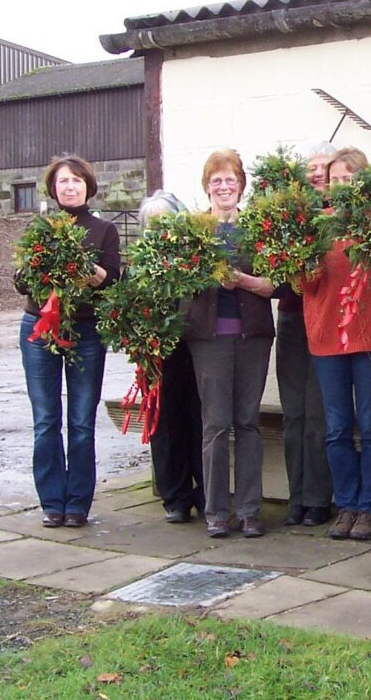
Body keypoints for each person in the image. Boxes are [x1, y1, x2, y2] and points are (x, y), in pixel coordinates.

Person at [17, 154, 120, 528]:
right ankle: (51, 502)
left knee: (81, 421)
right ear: (53, 188)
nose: (70, 187)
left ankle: (77, 502)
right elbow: (20, 282)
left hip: (86, 331)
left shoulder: (103, 230)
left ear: (88, 186)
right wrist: (39, 267)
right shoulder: (40, 227)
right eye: (63, 182)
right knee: (46, 420)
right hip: (40, 330)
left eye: (77, 181)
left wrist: (88, 271)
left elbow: (112, 280)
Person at [184, 149, 276, 539]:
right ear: (207, 187)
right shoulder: (192, 229)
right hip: (209, 339)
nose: (224, 186)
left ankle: (251, 510)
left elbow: (276, 283)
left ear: (241, 185)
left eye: (231, 179)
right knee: (216, 425)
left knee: (248, 423)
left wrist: (243, 280)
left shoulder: (257, 227)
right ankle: (217, 511)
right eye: (216, 180)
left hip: (251, 336)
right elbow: (179, 282)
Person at [302, 147, 371, 542]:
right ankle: (347, 505)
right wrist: (301, 260)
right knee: (337, 429)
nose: (342, 186)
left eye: (349, 179)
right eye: (336, 179)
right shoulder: (316, 225)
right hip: (326, 338)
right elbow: (305, 286)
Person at [137, 190, 204, 524]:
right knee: (166, 425)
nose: (161, 229)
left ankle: (206, 492)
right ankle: (175, 497)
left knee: (200, 420)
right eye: (153, 223)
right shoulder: (139, 265)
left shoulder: (194, 255)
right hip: (159, 354)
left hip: (197, 348)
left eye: (167, 220)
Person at [277, 142, 334, 527]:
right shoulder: (287, 217)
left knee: (318, 414)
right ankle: (295, 496)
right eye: (310, 168)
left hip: (327, 322)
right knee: (293, 413)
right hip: (293, 319)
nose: (316, 174)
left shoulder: (342, 218)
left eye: (323, 168)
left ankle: (317, 498)